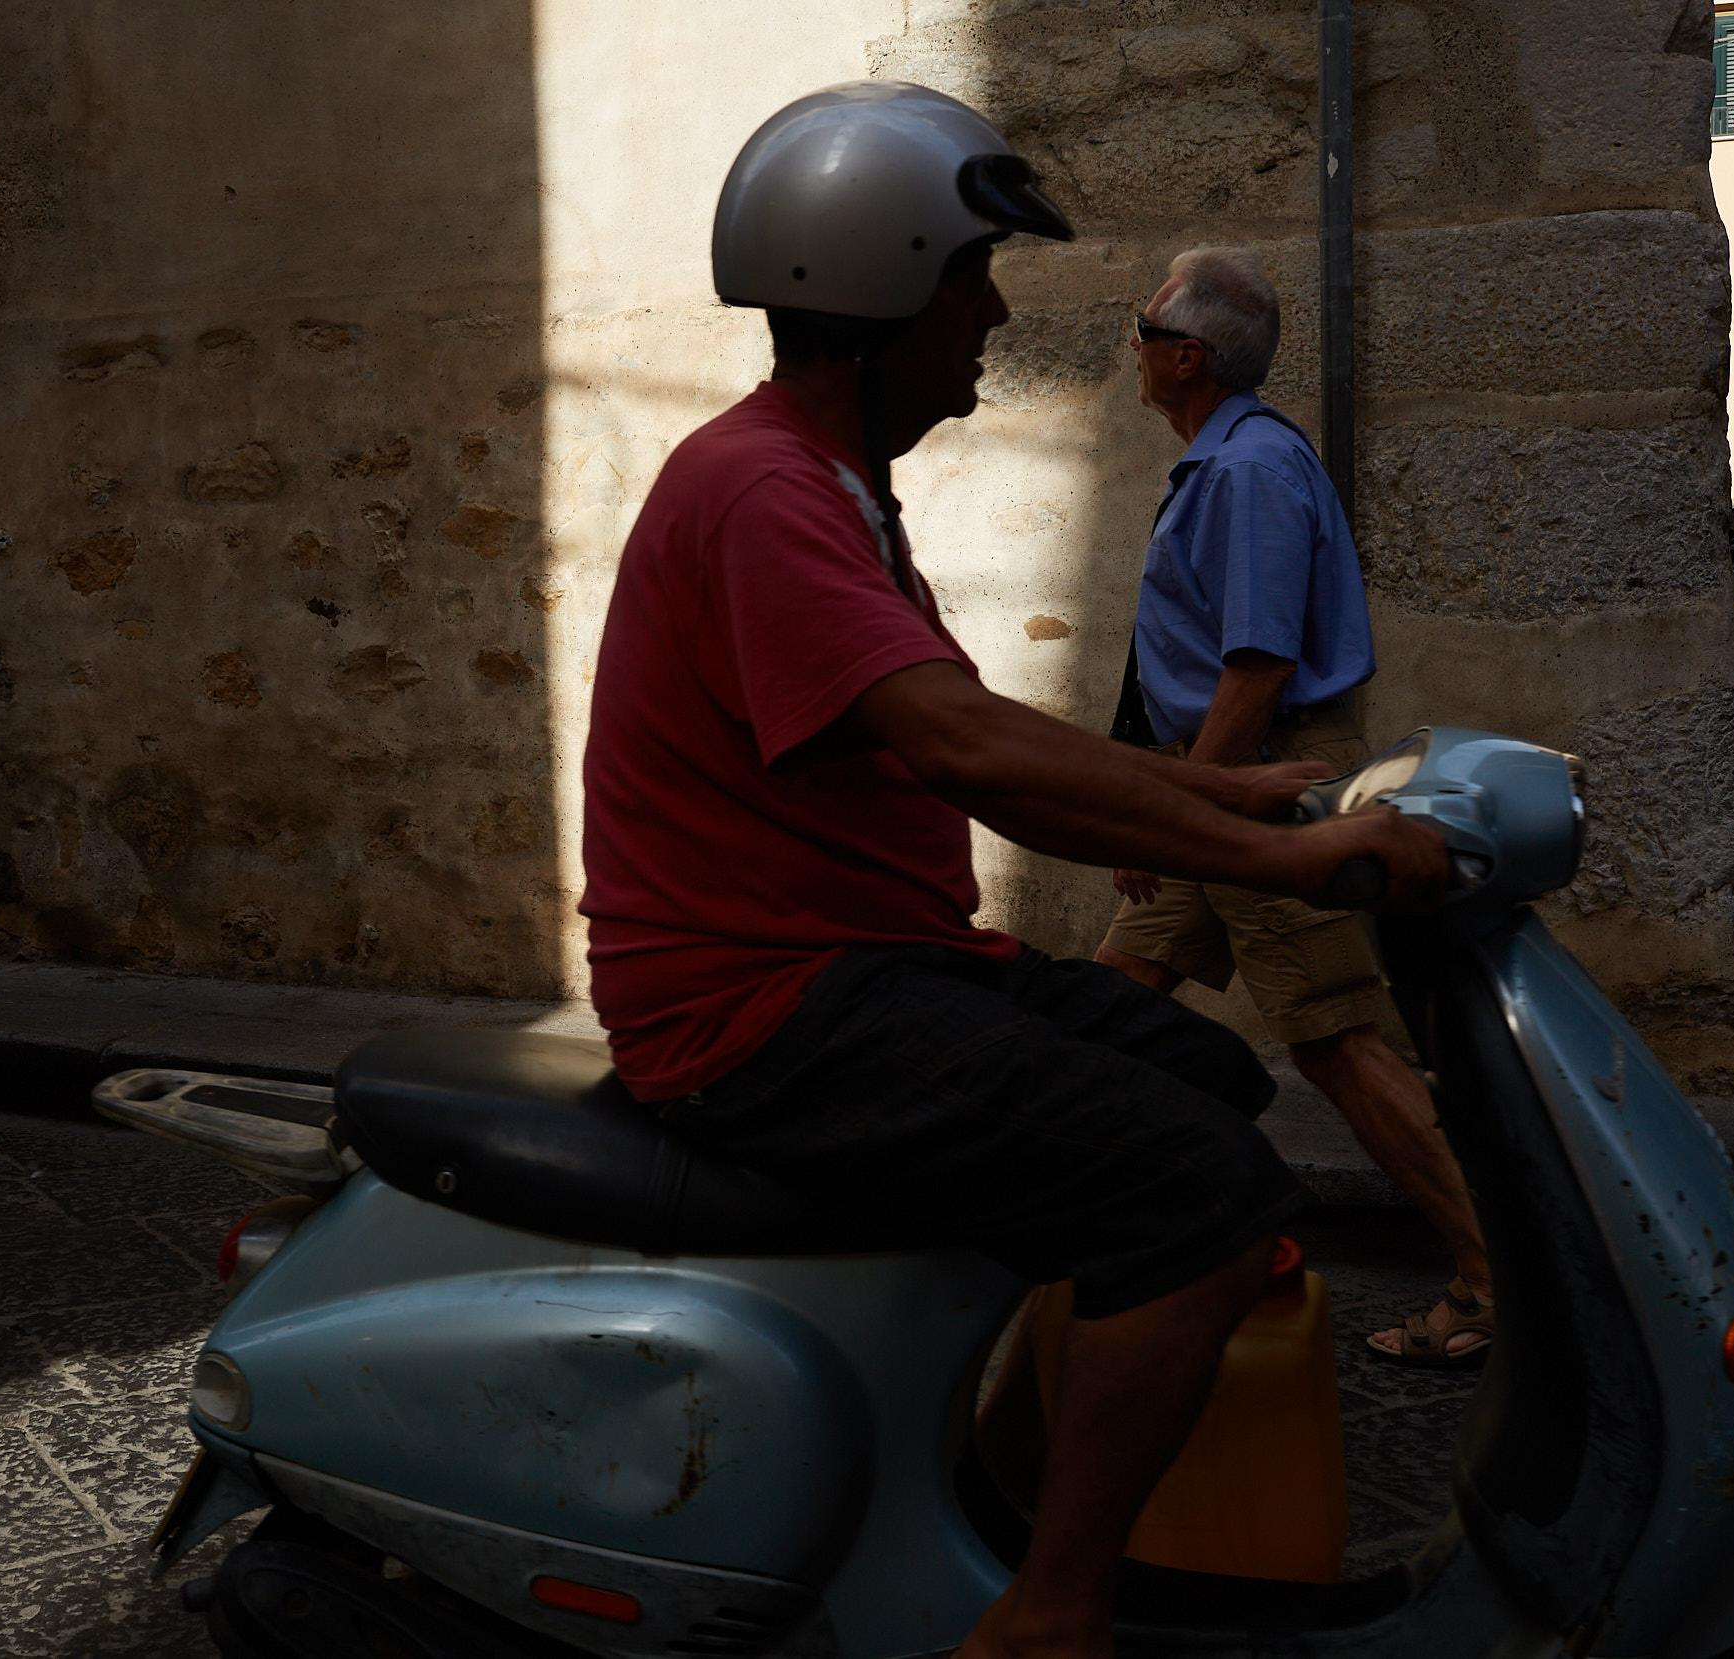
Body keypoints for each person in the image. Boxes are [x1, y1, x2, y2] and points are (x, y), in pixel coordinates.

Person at [577, 84, 1446, 1659]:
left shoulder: (831, 485)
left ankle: (1001, 1499)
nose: (991, 313)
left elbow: (977, 733)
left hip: (863, 960)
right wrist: (1287, 847)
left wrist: (1219, 790)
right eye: (971, 277)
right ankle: (1048, 1610)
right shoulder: (769, 491)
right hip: (763, 1003)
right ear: (881, 286)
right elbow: (971, 753)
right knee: (1199, 1189)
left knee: (1205, 1077)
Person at [1096, 247, 1495, 1367]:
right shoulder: (1223, 464)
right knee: (1112, 1003)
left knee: (1335, 1038)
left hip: (1260, 774)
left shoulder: (1247, 473)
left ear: (1185, 357)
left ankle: (1496, 1272)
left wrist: (1172, 808)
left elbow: (1257, 669)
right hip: (1221, 769)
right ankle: (1098, 1231)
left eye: (1141, 329)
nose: (1128, 348)